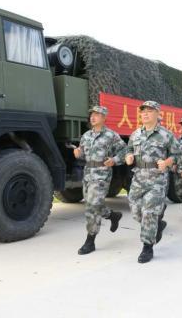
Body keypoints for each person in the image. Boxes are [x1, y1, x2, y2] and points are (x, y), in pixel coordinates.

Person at [125, 101, 180, 263]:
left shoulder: (166, 135)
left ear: (158, 114)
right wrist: (128, 157)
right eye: (143, 111)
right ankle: (156, 224)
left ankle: (147, 247)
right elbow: (129, 149)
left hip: (157, 179)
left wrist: (167, 162)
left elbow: (178, 154)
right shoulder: (135, 134)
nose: (145, 114)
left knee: (149, 213)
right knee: (135, 210)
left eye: (149, 111)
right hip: (138, 177)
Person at [74, 106, 127, 255]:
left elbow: (126, 150)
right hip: (88, 173)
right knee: (92, 203)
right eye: (92, 114)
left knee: (92, 205)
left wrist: (115, 160)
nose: (93, 117)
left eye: (97, 114)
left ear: (104, 118)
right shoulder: (86, 136)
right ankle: (112, 215)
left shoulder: (111, 135)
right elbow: (83, 153)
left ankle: (90, 241)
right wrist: (78, 153)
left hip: (102, 174)